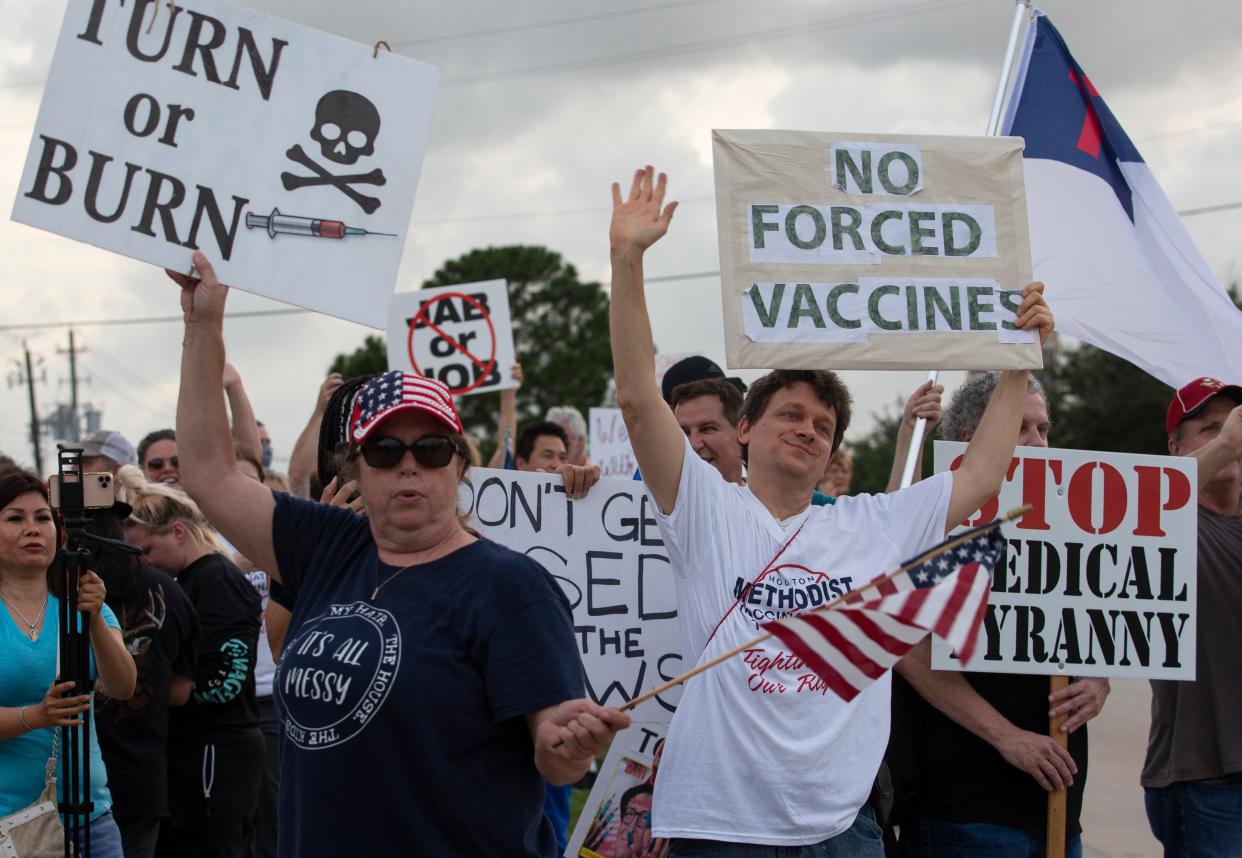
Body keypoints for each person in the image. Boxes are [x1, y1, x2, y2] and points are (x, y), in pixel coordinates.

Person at [607, 166, 1054, 855]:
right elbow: (639, 398)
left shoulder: (871, 524)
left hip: (844, 830)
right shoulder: (705, 509)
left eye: (823, 424)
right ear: (746, 429)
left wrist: (1018, 358)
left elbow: (985, 472)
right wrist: (628, 260)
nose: (808, 429)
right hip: (720, 826)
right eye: (790, 413)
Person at [168, 250, 629, 857]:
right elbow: (208, 473)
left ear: (460, 464)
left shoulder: (510, 586)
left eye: (432, 448)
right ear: (355, 466)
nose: (408, 464)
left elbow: (555, 746)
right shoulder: (325, 545)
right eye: (384, 450)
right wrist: (204, 327)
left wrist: (562, 748)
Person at [894, 371, 1107, 858]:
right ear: (975, 439)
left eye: (1045, 429)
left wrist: (1099, 679)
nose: (1040, 442)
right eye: (1022, 429)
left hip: (1057, 807)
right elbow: (904, 646)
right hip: (967, 811)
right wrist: (1007, 737)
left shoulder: (1074, 522)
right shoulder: (930, 520)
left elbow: (1108, 620)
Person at [118, 469, 263, 858]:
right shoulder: (188, 580)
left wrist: (152, 691)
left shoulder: (218, 580)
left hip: (218, 747)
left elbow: (226, 679)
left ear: (178, 532)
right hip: (195, 748)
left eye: (147, 552)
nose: (143, 565)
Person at [0, 470, 136, 856]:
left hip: (90, 815)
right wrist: (35, 716)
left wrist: (92, 619)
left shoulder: (82, 600)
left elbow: (123, 686)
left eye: (43, 518)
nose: (33, 529)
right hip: (10, 822)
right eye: (15, 518)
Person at [1143, 377, 1242, 857]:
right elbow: (1146, 505)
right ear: (1174, 446)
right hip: (1205, 776)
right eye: (1210, 428)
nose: (1229, 437)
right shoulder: (1161, 521)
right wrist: (1225, 448)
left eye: (1235, 427)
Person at [89, 502, 199, 858]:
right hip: (141, 775)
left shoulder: (54, 592)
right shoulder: (166, 588)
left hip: (72, 779)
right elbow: (181, 691)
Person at [669, 377, 745, 486]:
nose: (693, 444)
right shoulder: (657, 501)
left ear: (742, 431)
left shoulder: (767, 501)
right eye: (685, 432)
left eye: (707, 429)